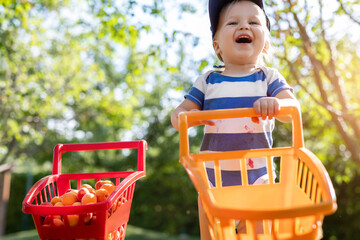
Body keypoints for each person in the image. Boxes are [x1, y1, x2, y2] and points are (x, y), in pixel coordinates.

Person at [171, 0, 299, 239]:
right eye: (233, 22)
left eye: (253, 22)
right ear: (217, 45)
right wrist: (190, 117)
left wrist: (277, 104)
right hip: (213, 181)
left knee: (258, 235)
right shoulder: (208, 81)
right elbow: (179, 115)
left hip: (259, 179)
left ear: (266, 43)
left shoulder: (268, 78)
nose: (244, 27)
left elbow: (292, 110)